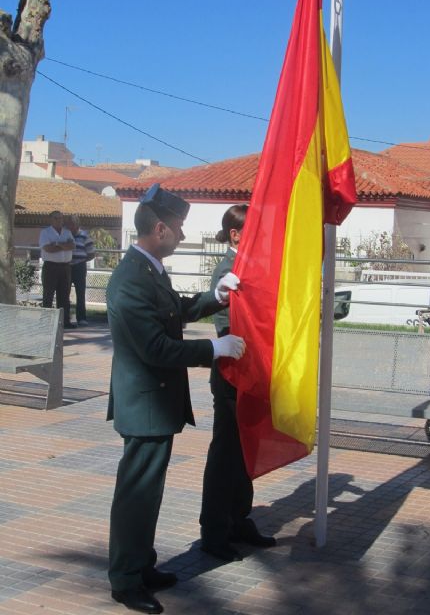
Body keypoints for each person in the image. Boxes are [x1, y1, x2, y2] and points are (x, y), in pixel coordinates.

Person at [107, 185, 245, 615]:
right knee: (136, 495)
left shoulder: (148, 270)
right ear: (160, 229)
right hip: (145, 404)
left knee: (148, 494)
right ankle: (125, 581)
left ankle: (141, 564)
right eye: (179, 228)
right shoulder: (131, 279)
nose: (183, 235)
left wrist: (215, 297)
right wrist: (212, 349)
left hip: (155, 403)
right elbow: (154, 348)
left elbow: (176, 310)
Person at [200, 204, 276, 563]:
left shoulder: (248, 266)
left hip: (251, 371)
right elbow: (226, 325)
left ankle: (238, 519)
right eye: (253, 231)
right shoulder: (227, 270)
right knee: (226, 452)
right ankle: (214, 531)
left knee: (245, 449)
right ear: (235, 234)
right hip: (231, 372)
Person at [39, 210, 76, 329]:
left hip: (65, 267)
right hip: (51, 267)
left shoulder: (67, 232)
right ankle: (46, 323)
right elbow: (48, 249)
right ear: (50, 219)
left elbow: (72, 246)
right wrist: (64, 246)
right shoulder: (45, 232)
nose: (59, 220)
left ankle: (65, 322)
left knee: (64, 296)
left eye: (60, 218)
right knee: (48, 295)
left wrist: (57, 244)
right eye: (56, 218)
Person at [64, 215, 96, 326]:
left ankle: (81, 318)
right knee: (65, 293)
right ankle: (65, 318)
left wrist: (81, 260)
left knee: (80, 293)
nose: (70, 226)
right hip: (67, 266)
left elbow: (91, 253)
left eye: (72, 224)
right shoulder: (65, 235)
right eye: (68, 224)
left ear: (77, 224)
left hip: (79, 267)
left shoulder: (84, 236)